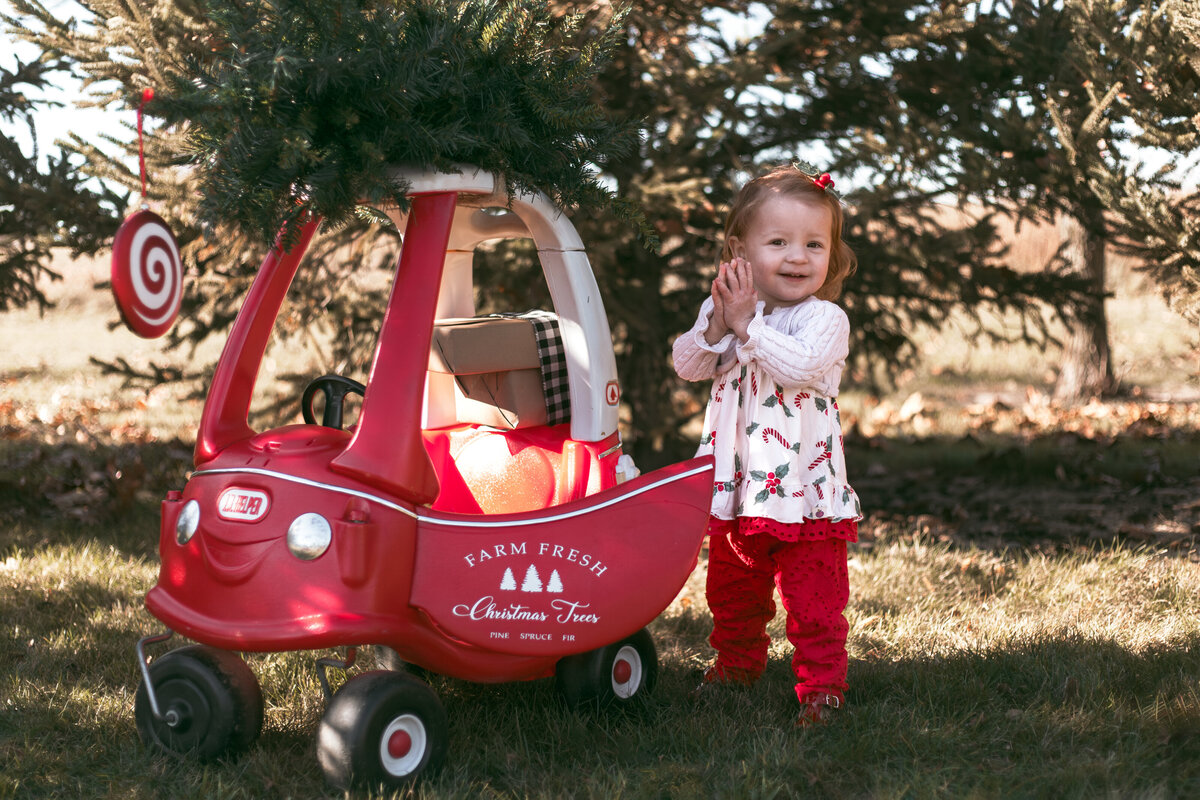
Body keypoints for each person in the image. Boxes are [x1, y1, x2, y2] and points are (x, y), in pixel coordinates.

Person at [672, 164, 862, 726]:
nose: (798, 256)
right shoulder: (727, 309)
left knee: (815, 598)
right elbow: (688, 365)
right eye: (778, 242)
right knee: (733, 588)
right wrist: (717, 326)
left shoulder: (824, 319)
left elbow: (798, 366)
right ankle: (736, 665)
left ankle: (822, 684)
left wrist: (746, 327)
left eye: (813, 244)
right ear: (740, 248)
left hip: (804, 491)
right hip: (740, 488)